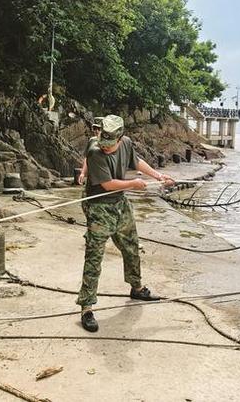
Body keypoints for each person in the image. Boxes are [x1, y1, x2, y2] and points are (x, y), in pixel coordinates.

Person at [77, 115, 175, 332]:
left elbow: (136, 161)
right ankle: (86, 307)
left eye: (111, 145)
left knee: (131, 246)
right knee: (94, 256)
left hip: (120, 204)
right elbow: (108, 184)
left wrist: (158, 176)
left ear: (120, 138)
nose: (107, 148)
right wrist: (133, 183)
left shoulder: (127, 143)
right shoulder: (95, 151)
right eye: (104, 143)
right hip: (99, 207)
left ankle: (136, 287)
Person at [78, 117, 103, 185]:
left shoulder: (111, 143)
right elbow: (87, 158)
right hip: (92, 176)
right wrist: (83, 173)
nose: (97, 131)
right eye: (95, 128)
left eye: (99, 129)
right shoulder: (91, 140)